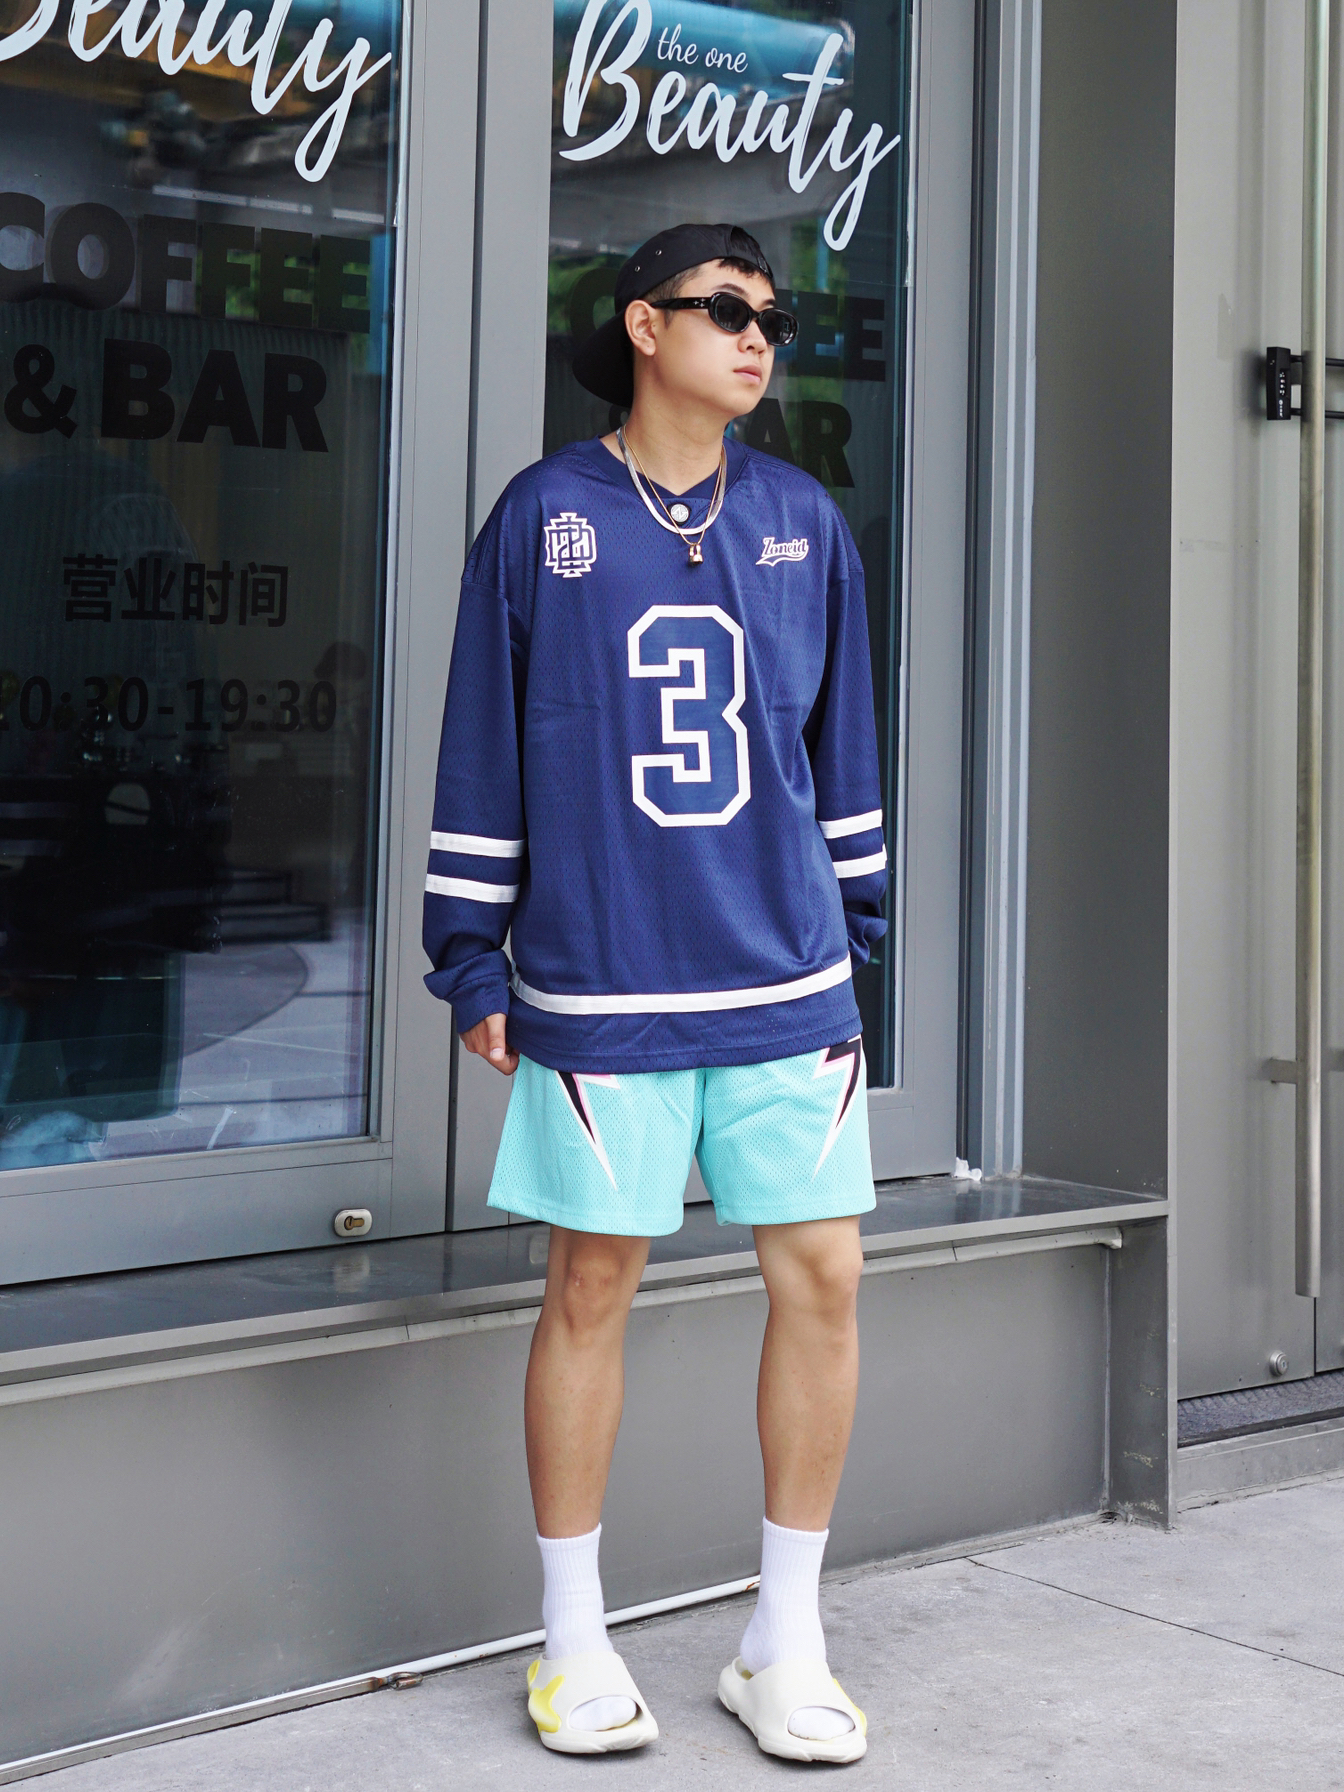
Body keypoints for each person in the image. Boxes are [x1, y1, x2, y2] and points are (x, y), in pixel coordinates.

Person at [423, 222, 886, 1765]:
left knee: (826, 1279)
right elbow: (485, 740)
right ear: (642, 325)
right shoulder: (543, 515)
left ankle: (783, 1639)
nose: (759, 339)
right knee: (590, 1289)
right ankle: (571, 1640)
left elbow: (844, 753)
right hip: (604, 980)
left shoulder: (805, 519)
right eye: (728, 310)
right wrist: (468, 949)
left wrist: (859, 933)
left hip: (785, 980)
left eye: (775, 320)